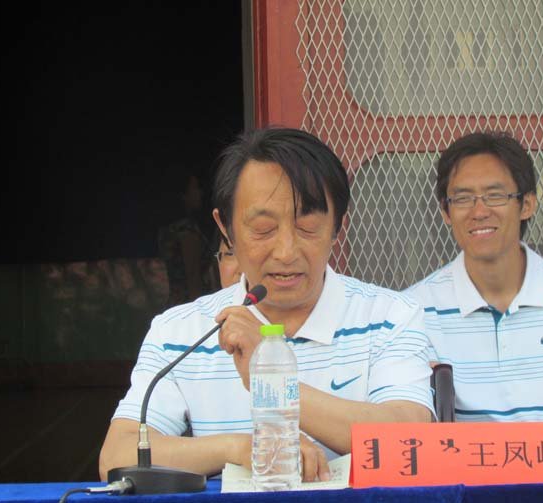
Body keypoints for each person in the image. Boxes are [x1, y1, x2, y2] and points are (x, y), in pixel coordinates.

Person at [100, 127, 434, 482]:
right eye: (263, 229)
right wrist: (241, 448)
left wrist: (271, 380)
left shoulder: (391, 317)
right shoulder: (179, 332)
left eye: (308, 227)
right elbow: (117, 456)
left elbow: (410, 440)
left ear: (337, 225)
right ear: (225, 228)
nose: (286, 252)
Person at [405, 131, 543, 464]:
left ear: (526, 204)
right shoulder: (411, 310)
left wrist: (524, 476)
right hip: (464, 475)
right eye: (462, 198)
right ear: (445, 211)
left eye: (495, 195)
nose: (479, 211)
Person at [157, 171, 214, 307]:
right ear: (183, 195)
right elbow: (193, 275)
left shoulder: (168, 229)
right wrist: (199, 310)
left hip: (176, 304)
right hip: (189, 305)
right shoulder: (186, 230)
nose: (200, 193)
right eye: (195, 188)